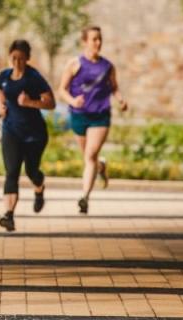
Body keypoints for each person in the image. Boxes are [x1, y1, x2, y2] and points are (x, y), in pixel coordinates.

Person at [57, 25, 127, 214]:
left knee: (89, 156)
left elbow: (114, 87)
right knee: (90, 158)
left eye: (99, 39)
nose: (97, 42)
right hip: (79, 115)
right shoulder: (74, 64)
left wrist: (121, 100)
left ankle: (84, 197)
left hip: (100, 116)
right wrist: (73, 100)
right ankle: (101, 166)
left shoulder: (108, 66)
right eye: (94, 39)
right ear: (85, 42)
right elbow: (61, 90)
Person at [0, 39, 55, 231]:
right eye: (14, 58)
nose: (17, 62)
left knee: (31, 171)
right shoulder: (4, 76)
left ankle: (39, 188)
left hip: (34, 134)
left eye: (21, 59)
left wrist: (30, 102)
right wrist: (1, 106)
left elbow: (51, 103)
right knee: (11, 172)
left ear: (28, 58)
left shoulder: (34, 78)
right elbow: (1, 92)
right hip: (11, 131)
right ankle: (9, 215)